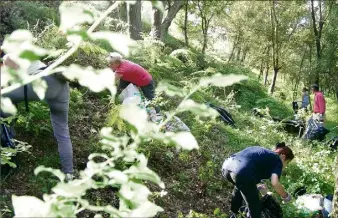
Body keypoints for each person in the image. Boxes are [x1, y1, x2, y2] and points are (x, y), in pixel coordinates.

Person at [1, 54, 74, 181]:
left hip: (42, 80)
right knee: (63, 133)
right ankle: (69, 173)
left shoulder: (8, 57)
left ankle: (8, 137)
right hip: (60, 82)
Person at [222, 142, 294, 218]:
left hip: (226, 167)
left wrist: (265, 192)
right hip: (242, 172)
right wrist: (285, 196)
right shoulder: (277, 159)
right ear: (283, 156)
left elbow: (254, 181)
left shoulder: (264, 153)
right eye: (287, 162)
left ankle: (234, 214)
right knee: (254, 207)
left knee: (239, 188)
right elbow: (275, 182)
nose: (285, 166)